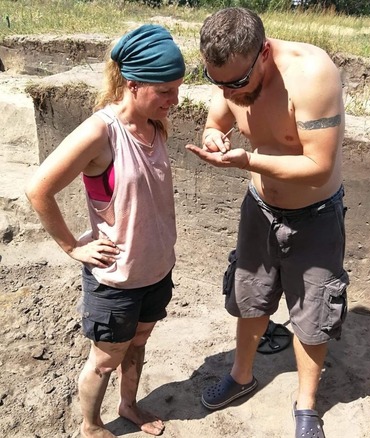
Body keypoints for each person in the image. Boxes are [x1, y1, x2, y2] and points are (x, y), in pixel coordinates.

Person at [186, 8, 347, 438]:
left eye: (237, 84)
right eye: (217, 82)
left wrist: (248, 160)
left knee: (313, 312)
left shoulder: (312, 75)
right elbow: (216, 119)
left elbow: (318, 165)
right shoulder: (230, 75)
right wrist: (212, 135)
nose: (228, 92)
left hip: (313, 216)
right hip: (259, 208)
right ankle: (242, 376)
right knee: (249, 297)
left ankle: (306, 404)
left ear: (263, 53)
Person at [25, 25, 185, 438]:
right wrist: (71, 247)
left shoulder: (155, 123)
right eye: (166, 91)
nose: (176, 100)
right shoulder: (101, 133)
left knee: (138, 344)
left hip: (155, 270)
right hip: (116, 280)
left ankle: (128, 405)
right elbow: (38, 189)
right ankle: (91, 426)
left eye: (178, 89)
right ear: (133, 84)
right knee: (104, 359)